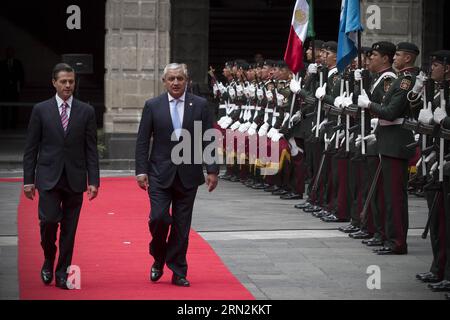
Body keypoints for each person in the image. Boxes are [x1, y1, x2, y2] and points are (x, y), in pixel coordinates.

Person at [135, 63, 219, 287]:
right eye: (171, 78)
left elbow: (208, 138)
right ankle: (158, 256)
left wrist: (212, 169)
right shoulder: (153, 105)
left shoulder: (199, 104)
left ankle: (178, 270)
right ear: (164, 81)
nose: (175, 82)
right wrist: (141, 171)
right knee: (159, 218)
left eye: (179, 78)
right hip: (159, 174)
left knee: (182, 226)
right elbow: (143, 140)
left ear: (186, 81)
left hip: (188, 174)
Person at [22, 63, 99, 289]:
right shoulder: (40, 110)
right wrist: (29, 180)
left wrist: (93, 180)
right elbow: (31, 148)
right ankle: (48, 258)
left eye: (71, 81)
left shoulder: (86, 111)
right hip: (48, 176)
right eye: (63, 81)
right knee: (48, 222)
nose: (68, 85)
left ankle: (62, 271)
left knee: (69, 229)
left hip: (75, 178)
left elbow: (91, 149)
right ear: (54, 82)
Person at [358, 42, 420, 255]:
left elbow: (392, 111)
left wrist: (369, 105)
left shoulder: (406, 80)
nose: (394, 58)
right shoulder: (400, 78)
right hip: (387, 140)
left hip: (396, 143)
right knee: (387, 195)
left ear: (408, 58)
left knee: (395, 197)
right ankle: (387, 236)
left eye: (399, 55)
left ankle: (397, 242)